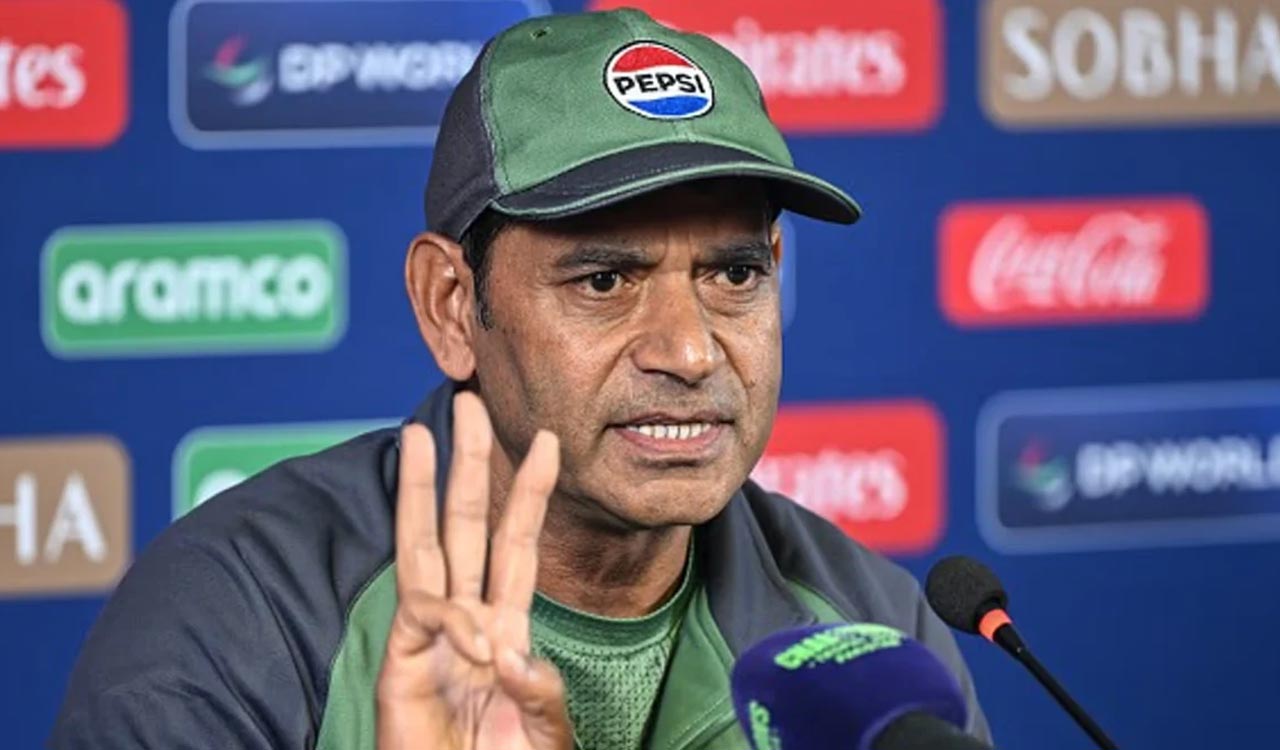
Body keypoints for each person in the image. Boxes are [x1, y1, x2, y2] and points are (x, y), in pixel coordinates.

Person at [51, 8, 990, 750]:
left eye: (734, 274)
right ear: (451, 305)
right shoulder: (234, 618)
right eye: (605, 280)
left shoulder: (875, 634)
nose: (691, 351)